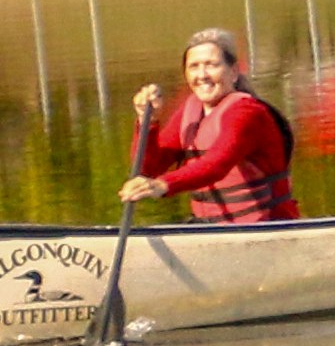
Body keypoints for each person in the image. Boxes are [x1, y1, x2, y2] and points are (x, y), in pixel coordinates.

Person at [125, 27, 300, 222]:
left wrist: (163, 185)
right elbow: (148, 169)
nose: (202, 75)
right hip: (211, 227)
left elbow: (217, 164)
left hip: (266, 226)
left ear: (233, 72)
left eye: (211, 65)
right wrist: (147, 122)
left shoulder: (247, 112)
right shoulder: (190, 112)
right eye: (194, 66)